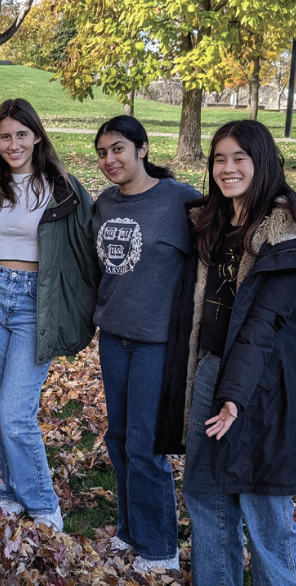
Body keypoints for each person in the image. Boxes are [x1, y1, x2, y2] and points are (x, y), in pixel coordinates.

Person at [158, 120, 296, 584]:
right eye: (219, 158)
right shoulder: (211, 224)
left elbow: (264, 324)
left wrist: (234, 396)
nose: (227, 167)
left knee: (263, 504)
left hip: (265, 385)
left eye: (239, 158)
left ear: (262, 162)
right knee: (206, 495)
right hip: (209, 371)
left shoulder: (285, 232)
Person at [0, 98, 97, 531]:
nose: (13, 144)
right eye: (4, 136)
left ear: (37, 135)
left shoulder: (63, 187)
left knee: (15, 412)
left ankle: (43, 505)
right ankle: (10, 493)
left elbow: (90, 244)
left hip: (35, 301)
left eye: (21, 134)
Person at [92, 116, 199, 572]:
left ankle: (160, 551)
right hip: (113, 337)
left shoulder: (180, 200)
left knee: (145, 445)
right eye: (101, 153)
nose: (109, 160)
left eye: (117, 149)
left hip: (158, 342)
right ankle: (130, 531)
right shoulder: (103, 203)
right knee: (118, 440)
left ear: (142, 148)